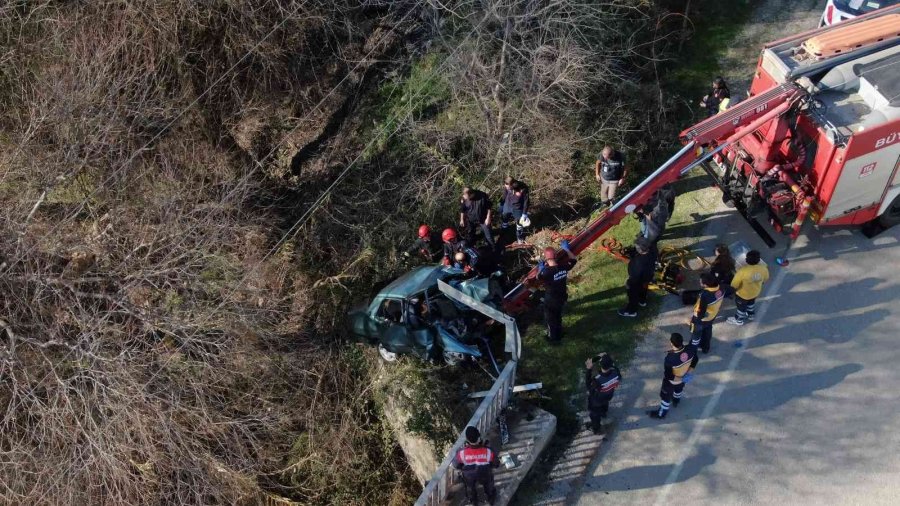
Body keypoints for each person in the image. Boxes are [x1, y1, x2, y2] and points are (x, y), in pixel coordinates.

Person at [648, 333, 698, 419]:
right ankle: (676, 401)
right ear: (682, 341)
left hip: (672, 382)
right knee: (678, 390)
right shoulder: (690, 349)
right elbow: (695, 359)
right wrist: (687, 374)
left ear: (671, 343)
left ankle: (661, 414)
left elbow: (669, 376)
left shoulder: (670, 359)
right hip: (684, 377)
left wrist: (680, 378)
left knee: (666, 398)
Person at [537, 241, 577, 344]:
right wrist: (567, 249)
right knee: (558, 316)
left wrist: (540, 269)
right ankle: (559, 333)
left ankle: (553, 338)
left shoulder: (546, 272)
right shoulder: (563, 267)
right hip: (562, 297)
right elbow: (573, 260)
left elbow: (538, 277)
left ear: (546, 258)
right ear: (555, 256)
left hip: (551, 300)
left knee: (550, 320)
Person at [453, 425, 499, 506]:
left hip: (469, 477)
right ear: (479, 437)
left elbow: (456, 465)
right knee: (489, 484)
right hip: (484, 474)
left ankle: (473, 500)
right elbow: (496, 464)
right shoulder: (488, 451)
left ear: (467, 440)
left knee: (470, 487)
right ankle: (491, 497)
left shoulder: (461, 453)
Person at [727, 250, 769, 326]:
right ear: (759, 260)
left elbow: (734, 285)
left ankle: (739, 320)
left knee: (741, 308)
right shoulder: (764, 269)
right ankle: (751, 315)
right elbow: (765, 279)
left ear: (746, 260)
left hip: (742, 295)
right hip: (755, 292)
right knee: (751, 303)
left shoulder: (742, 271)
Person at [618, 239, 657, 317]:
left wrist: (628, 283)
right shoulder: (653, 250)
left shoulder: (639, 263)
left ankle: (631, 311)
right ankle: (642, 301)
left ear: (640, 250)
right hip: (648, 276)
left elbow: (633, 274)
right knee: (644, 287)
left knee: (632, 292)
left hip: (637, 279)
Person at [585, 353, 622, 434]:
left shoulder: (598, 379)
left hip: (596, 401)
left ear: (600, 365)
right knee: (604, 403)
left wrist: (589, 369)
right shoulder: (616, 372)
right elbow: (617, 373)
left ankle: (596, 429)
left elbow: (588, 386)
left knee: (594, 414)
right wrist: (604, 357)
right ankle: (603, 413)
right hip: (608, 395)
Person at [689, 272, 725, 354]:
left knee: (696, 334)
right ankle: (706, 348)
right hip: (712, 316)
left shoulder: (705, 295)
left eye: (701, 281)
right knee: (708, 331)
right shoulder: (721, 287)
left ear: (706, 285)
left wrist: (695, 319)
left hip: (701, 319)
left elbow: (701, 311)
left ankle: (693, 349)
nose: (700, 282)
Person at [500, 177, 530, 244]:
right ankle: (503, 234)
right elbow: (504, 194)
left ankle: (519, 237)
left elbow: (526, 201)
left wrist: (524, 213)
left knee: (519, 224)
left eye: (508, 186)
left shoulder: (523, 188)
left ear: (512, 184)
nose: (506, 187)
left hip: (518, 208)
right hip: (507, 205)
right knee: (505, 220)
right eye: (505, 185)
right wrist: (501, 204)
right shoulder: (506, 186)